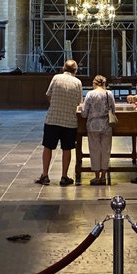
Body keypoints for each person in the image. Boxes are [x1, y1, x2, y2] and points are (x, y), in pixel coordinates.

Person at [36, 59, 83, 187]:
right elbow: (79, 102)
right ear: (75, 70)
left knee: (48, 147)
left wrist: (55, 105)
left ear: (63, 68)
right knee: (67, 149)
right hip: (69, 121)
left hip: (53, 119)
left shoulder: (56, 78)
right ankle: (64, 176)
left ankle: (45, 175)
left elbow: (48, 94)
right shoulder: (78, 82)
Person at [79, 74, 117, 185]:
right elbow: (113, 109)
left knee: (94, 150)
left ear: (94, 83)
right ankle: (104, 175)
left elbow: (84, 113)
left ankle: (96, 176)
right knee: (106, 150)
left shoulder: (90, 94)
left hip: (92, 125)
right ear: (104, 83)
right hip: (106, 125)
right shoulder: (108, 93)